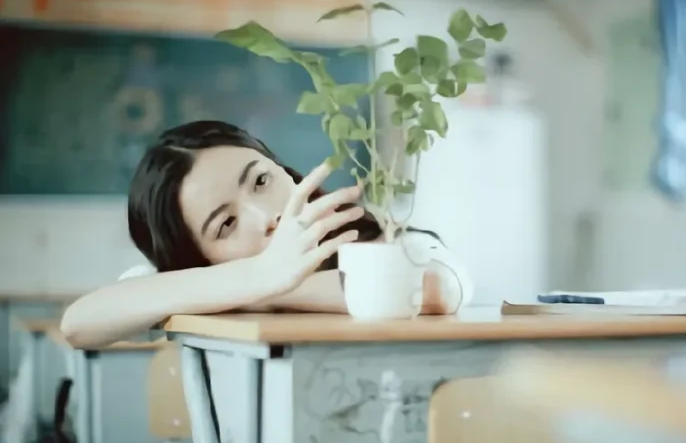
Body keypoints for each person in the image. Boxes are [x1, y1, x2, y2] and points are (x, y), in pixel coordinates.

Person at [61, 121, 472, 348]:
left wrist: (271, 288)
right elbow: (79, 324)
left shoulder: (384, 243)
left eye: (261, 180)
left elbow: (441, 289)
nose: (267, 216)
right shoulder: (194, 285)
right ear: (197, 257)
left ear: (284, 170)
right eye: (226, 224)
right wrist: (259, 276)